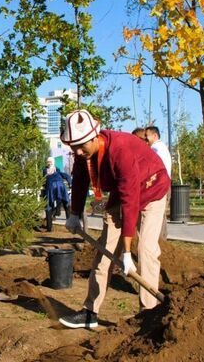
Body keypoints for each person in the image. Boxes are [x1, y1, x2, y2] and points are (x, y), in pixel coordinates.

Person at [58, 110, 170, 329]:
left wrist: (128, 252)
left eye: (82, 146)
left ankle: (148, 314)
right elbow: (80, 181)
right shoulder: (83, 154)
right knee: (104, 252)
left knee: (146, 250)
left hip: (152, 189)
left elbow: (131, 201)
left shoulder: (121, 149)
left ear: (95, 136)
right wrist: (73, 214)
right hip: (124, 193)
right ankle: (90, 313)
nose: (78, 152)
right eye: (74, 147)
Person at [145, 126, 172, 240]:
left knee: (156, 214)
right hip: (164, 183)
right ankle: (161, 239)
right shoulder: (162, 147)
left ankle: (159, 240)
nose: (145, 139)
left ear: (155, 135)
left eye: (147, 136)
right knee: (160, 214)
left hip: (159, 184)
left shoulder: (156, 148)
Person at [42, 156, 72, 232]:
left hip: (51, 187)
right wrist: (70, 183)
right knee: (65, 203)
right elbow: (66, 175)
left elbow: (43, 180)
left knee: (49, 205)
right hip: (60, 186)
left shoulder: (45, 170)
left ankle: (49, 228)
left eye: (49, 162)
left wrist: (44, 186)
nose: (49, 163)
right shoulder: (57, 169)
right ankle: (69, 224)